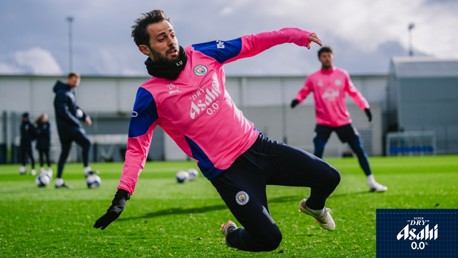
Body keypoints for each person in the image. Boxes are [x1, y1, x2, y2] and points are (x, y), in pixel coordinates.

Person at [94, 10, 341, 252]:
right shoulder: (149, 96)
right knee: (269, 240)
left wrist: (294, 35)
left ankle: (314, 207)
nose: (171, 42)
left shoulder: (202, 53)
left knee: (329, 177)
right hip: (228, 173)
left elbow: (251, 43)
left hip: (258, 147)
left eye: (172, 34)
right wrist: (122, 195)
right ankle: (231, 234)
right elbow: (138, 148)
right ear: (144, 49)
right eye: (161, 39)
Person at [290, 46, 387, 192]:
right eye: (324, 56)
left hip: (343, 121)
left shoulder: (342, 75)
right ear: (319, 58)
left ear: (333, 57)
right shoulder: (313, 78)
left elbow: (353, 92)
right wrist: (297, 99)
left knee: (359, 149)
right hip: (323, 122)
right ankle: (315, 184)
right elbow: (304, 91)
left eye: (329, 55)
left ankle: (371, 181)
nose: (327, 58)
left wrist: (365, 107)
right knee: (318, 152)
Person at [53, 72, 97, 189]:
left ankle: (58, 181)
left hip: (68, 128)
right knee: (86, 143)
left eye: (78, 80)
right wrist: (76, 121)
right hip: (68, 128)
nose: (76, 82)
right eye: (74, 80)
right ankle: (87, 170)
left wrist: (85, 116)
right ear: (69, 79)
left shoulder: (71, 92)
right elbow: (63, 112)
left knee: (65, 153)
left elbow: (75, 108)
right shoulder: (62, 93)